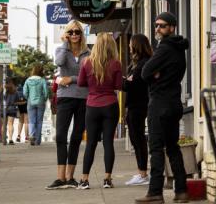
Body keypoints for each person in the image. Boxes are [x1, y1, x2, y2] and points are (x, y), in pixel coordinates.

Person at [136, 12, 190, 203]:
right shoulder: (179, 49)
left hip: (159, 104)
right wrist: (156, 73)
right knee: (173, 148)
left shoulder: (165, 47)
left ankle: (155, 192)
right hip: (174, 103)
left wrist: (155, 74)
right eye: (156, 25)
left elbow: (144, 72)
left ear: (172, 28)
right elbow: (155, 72)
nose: (157, 28)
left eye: (162, 25)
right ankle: (181, 191)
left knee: (156, 148)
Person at [46, 20, 90, 190]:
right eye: (70, 32)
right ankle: (60, 177)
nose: (74, 35)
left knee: (77, 137)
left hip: (83, 98)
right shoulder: (61, 50)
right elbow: (58, 62)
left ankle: (71, 177)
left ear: (81, 34)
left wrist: (70, 79)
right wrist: (64, 43)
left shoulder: (88, 53)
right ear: (66, 34)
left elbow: (87, 78)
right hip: (65, 97)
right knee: (61, 136)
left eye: (77, 32)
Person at [77, 33, 123, 189]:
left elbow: (80, 82)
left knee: (90, 143)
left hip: (92, 105)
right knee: (108, 142)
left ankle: (84, 180)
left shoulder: (86, 62)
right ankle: (107, 179)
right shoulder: (116, 64)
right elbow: (118, 85)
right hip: (110, 104)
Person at [123, 33, 153, 186]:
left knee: (138, 138)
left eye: (130, 43)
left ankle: (143, 174)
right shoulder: (135, 64)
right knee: (136, 139)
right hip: (133, 104)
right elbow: (128, 83)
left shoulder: (143, 63)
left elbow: (134, 84)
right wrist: (126, 81)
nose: (128, 46)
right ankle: (141, 172)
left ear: (136, 45)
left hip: (139, 105)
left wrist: (126, 81)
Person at [23, 64, 50, 145]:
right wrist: (44, 99)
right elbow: (46, 92)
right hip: (41, 102)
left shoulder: (28, 80)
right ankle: (38, 140)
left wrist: (28, 98)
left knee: (31, 120)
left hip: (30, 102)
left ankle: (31, 135)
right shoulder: (42, 80)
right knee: (39, 121)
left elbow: (25, 92)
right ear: (41, 71)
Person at [3, 78, 20, 144]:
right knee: (10, 124)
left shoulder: (2, 90)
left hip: (3, 109)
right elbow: (17, 100)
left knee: (4, 124)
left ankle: (4, 138)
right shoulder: (15, 91)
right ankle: (10, 139)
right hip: (12, 108)